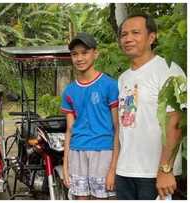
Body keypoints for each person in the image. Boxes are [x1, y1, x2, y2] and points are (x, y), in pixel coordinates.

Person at [115, 14, 184, 200]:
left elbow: (176, 123)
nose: (128, 38)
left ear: (151, 37)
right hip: (125, 171)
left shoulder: (169, 71)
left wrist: (165, 169)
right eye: (124, 34)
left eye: (135, 33)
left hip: (155, 174)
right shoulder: (123, 79)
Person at [61, 32, 119, 200]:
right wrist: (65, 166)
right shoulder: (69, 91)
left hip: (103, 151)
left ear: (95, 53)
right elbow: (70, 130)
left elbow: (117, 128)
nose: (79, 58)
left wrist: (113, 168)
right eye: (74, 54)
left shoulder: (110, 85)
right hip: (76, 151)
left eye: (84, 52)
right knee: (81, 198)